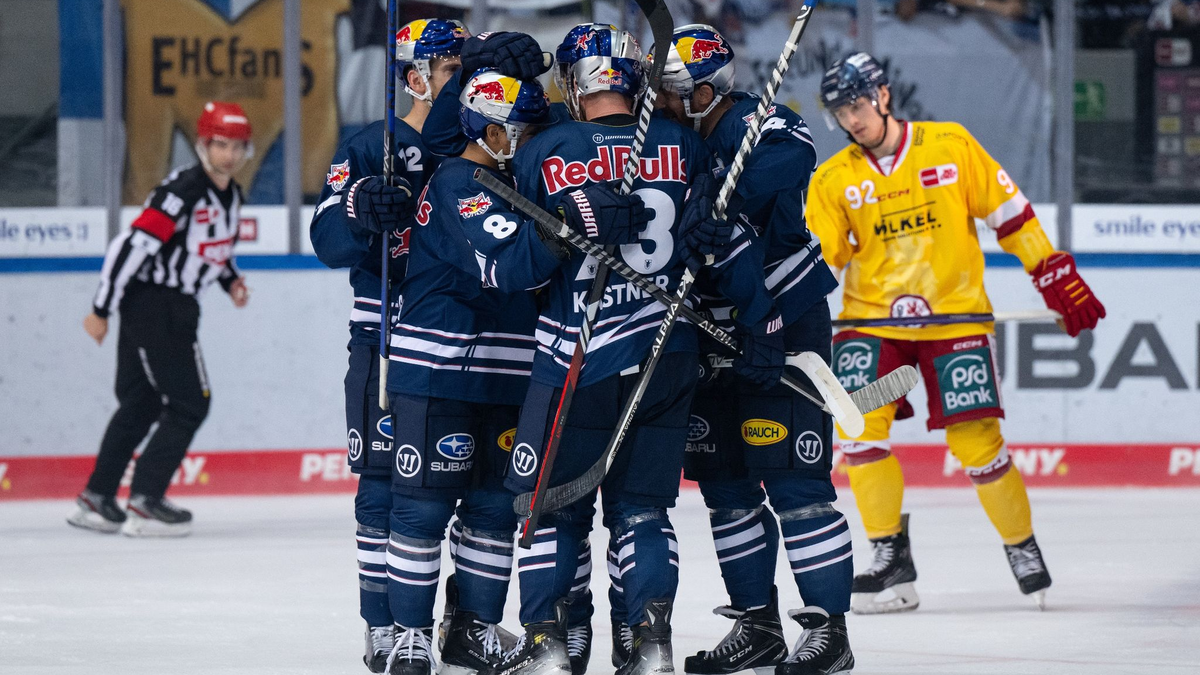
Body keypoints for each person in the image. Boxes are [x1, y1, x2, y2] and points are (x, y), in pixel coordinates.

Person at [486, 25, 779, 675]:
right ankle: (648, 638)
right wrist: (761, 325)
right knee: (642, 510)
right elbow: (722, 248)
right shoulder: (679, 142)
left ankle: (546, 643)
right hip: (665, 355)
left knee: (549, 507)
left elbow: (523, 270)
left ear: (577, 80)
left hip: (576, 360)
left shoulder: (546, 150)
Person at [805, 52, 1106, 614]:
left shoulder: (950, 145)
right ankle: (889, 554)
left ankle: (1022, 547)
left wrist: (1051, 272)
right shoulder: (834, 178)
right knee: (858, 430)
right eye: (840, 112)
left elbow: (1010, 215)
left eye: (855, 105)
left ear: (883, 96)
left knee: (977, 444)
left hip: (953, 323)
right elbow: (822, 258)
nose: (850, 120)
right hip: (875, 329)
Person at [380, 65, 648, 675]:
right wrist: (582, 224)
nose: (527, 140)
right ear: (487, 128)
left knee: (494, 512)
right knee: (421, 508)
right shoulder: (457, 183)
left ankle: (471, 631)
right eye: (518, 129)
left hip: (509, 372)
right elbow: (512, 263)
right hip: (438, 369)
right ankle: (409, 635)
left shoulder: (515, 182)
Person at [650, 25, 854, 675]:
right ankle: (757, 624)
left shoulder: (756, 122)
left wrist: (719, 193)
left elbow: (795, 160)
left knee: (795, 479)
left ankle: (829, 628)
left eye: (675, 92)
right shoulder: (669, 144)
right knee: (725, 483)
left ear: (706, 90)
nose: (663, 103)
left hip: (785, 318)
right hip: (706, 329)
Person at [309, 17, 465, 673]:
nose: (465, 83)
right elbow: (325, 233)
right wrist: (358, 211)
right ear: (415, 76)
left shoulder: (485, 141)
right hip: (386, 335)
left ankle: (463, 620)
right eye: (452, 70)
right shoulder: (374, 144)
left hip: (464, 341)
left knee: (462, 492)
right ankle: (386, 624)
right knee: (380, 487)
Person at [69, 101, 253, 538]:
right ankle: (146, 500)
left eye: (237, 146)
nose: (228, 154)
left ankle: (97, 498)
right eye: (219, 144)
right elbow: (129, 248)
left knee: (144, 402)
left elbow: (209, 249)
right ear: (203, 145)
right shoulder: (183, 191)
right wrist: (100, 309)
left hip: (164, 305)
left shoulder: (230, 194)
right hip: (158, 306)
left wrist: (230, 282)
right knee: (192, 403)